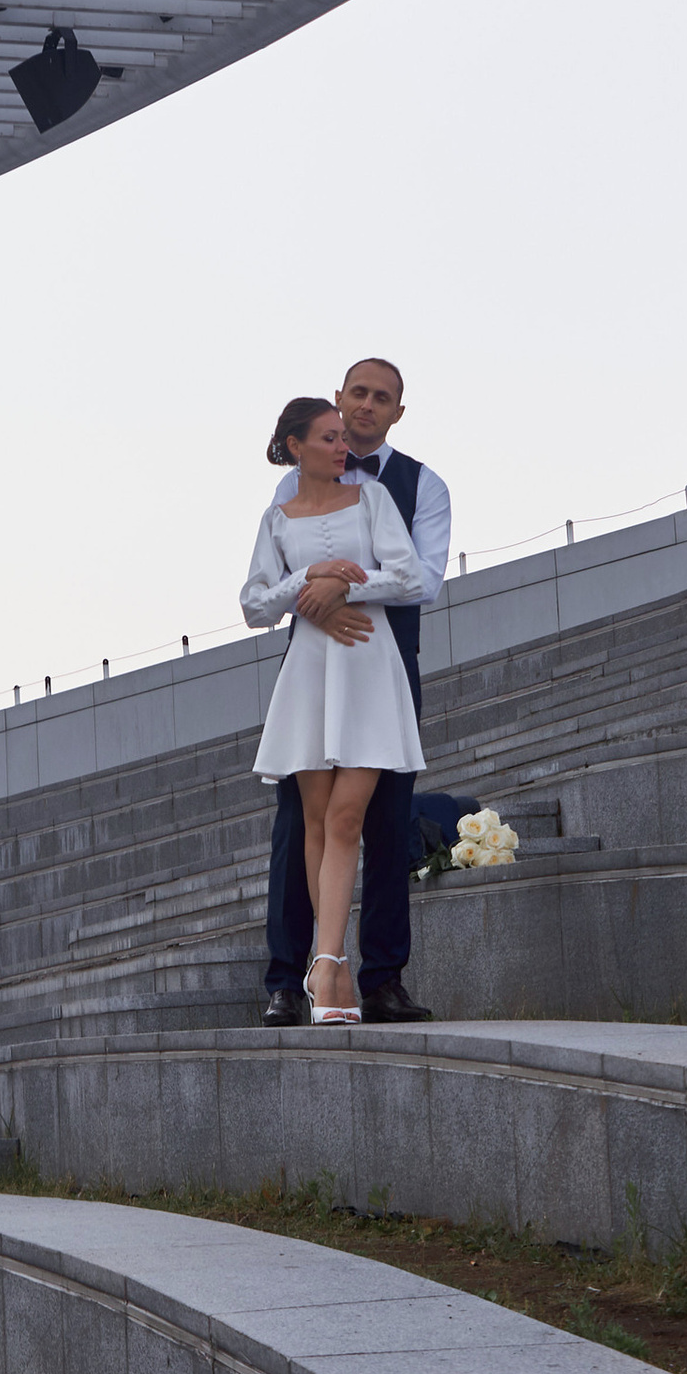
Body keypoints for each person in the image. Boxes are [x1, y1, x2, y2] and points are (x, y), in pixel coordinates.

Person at [258, 355, 451, 1026]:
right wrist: (313, 595)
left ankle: (383, 978)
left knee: (385, 823)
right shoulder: (288, 494)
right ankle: (292, 977)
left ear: (398, 411)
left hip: (382, 662)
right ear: (339, 400)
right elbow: (266, 591)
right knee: (299, 824)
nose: (367, 407)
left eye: (383, 398)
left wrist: (347, 583)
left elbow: (423, 578)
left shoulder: (418, 484)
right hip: (314, 665)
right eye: (358, 395)